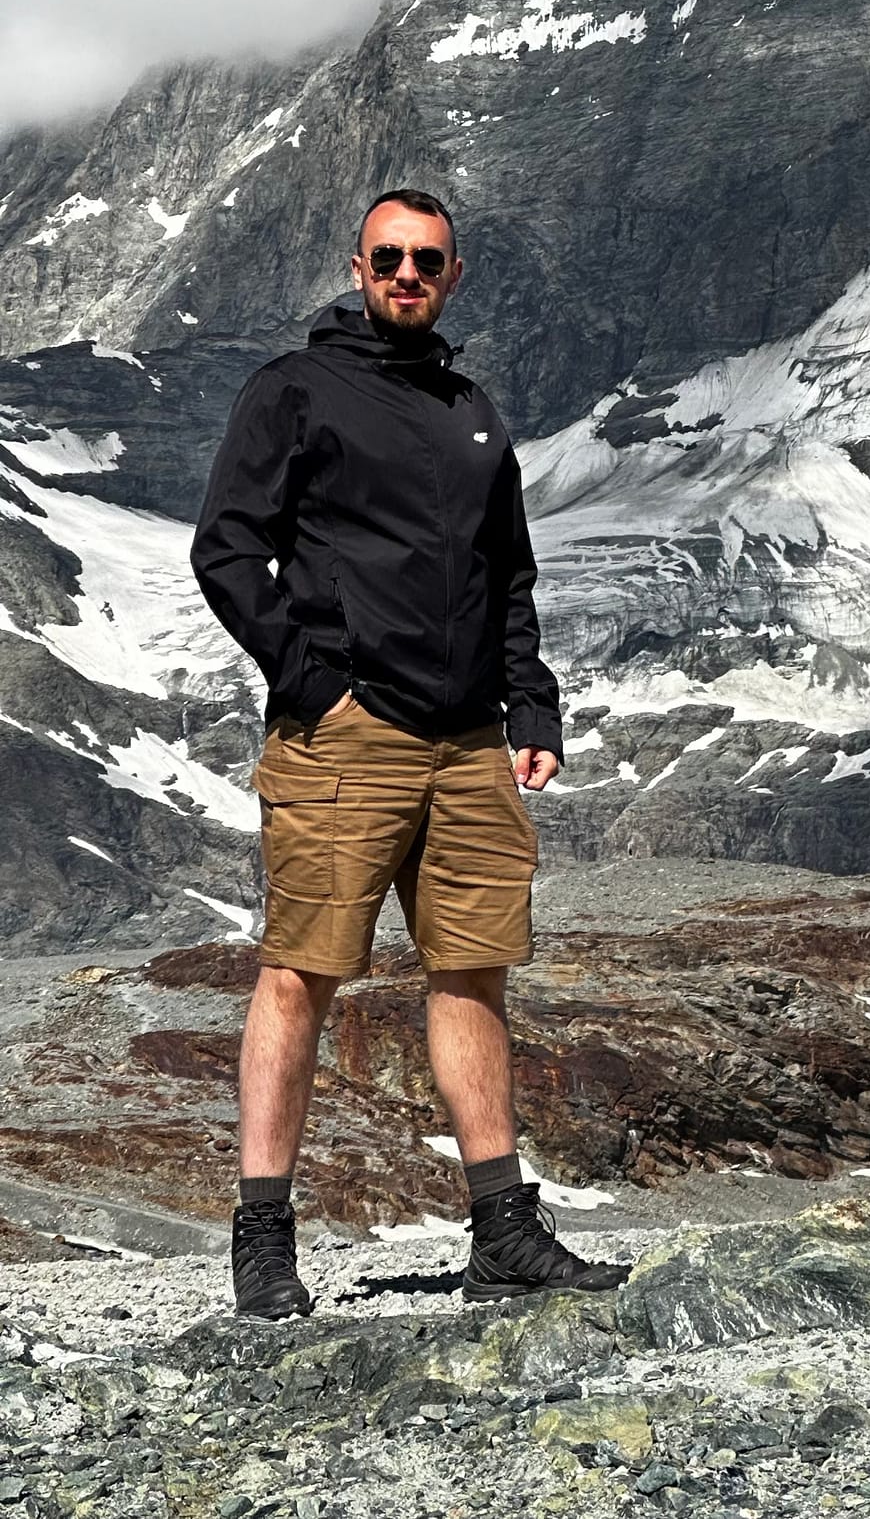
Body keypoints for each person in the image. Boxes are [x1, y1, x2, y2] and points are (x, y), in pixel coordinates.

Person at [190, 187, 627, 1319]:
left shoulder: (472, 410)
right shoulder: (293, 389)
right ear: (356, 264)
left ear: (452, 275)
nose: (405, 274)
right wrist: (313, 683)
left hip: (470, 742)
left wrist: (530, 707)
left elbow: (508, 573)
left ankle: (502, 1236)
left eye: (425, 259)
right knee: (300, 973)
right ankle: (263, 1242)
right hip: (349, 734)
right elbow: (229, 549)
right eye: (387, 256)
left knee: (471, 972)